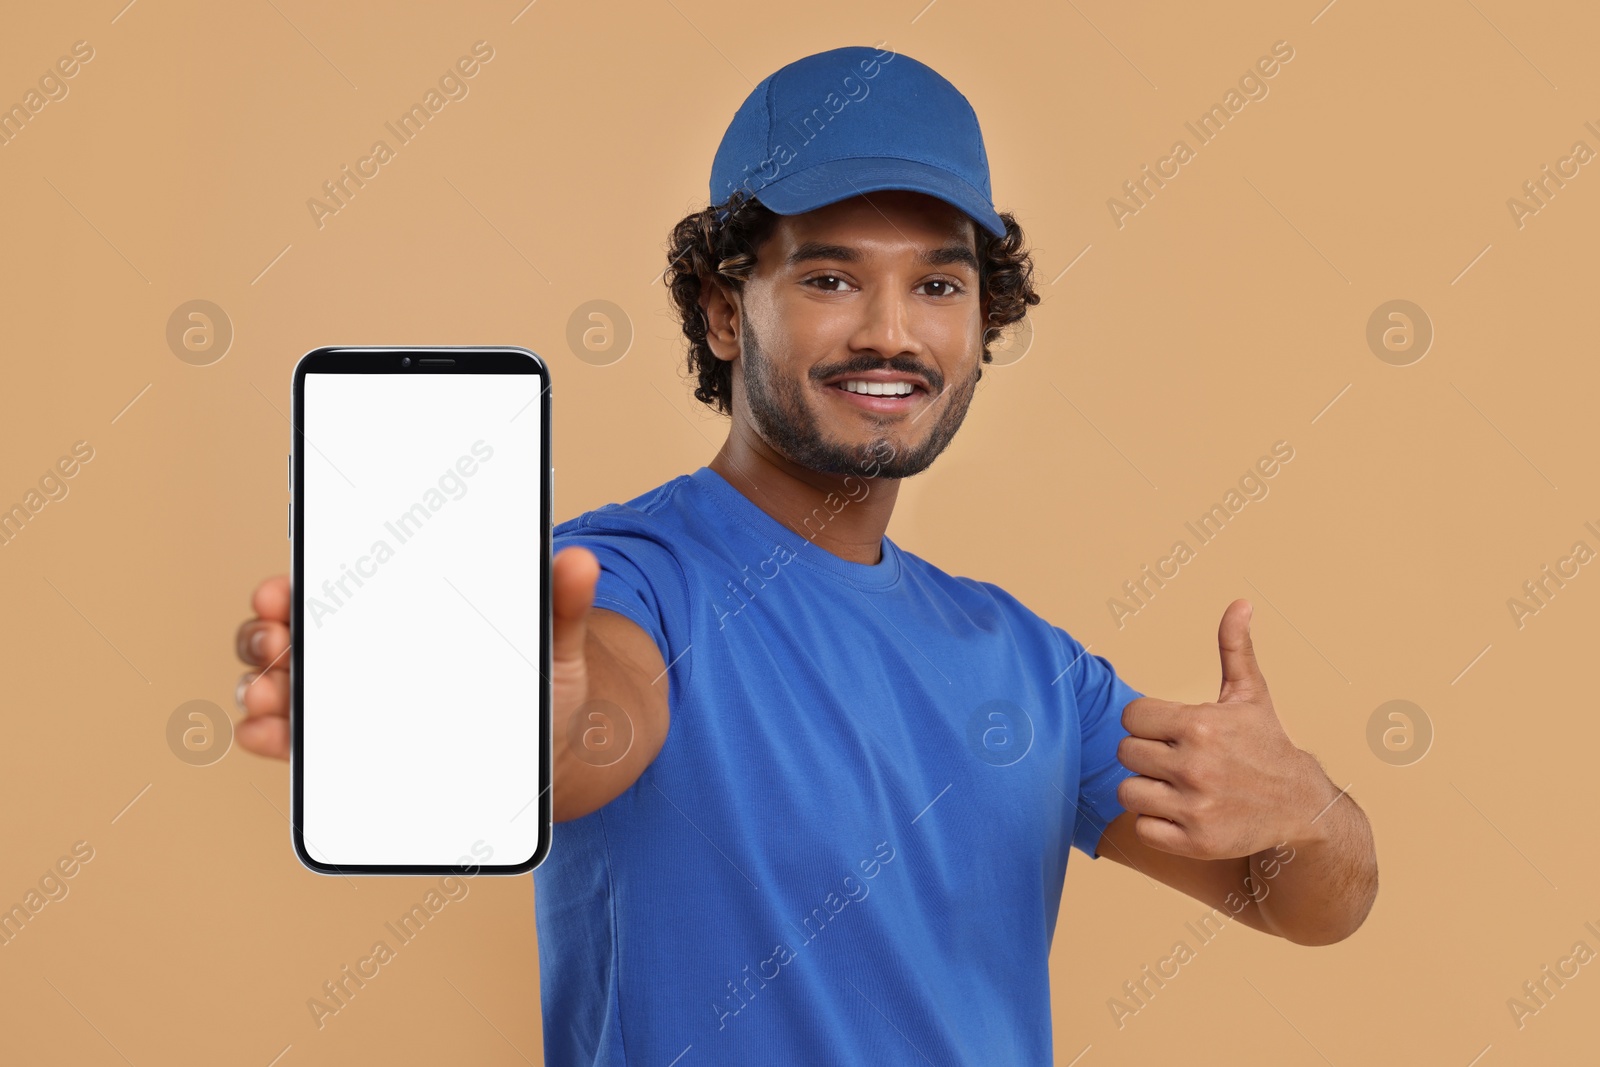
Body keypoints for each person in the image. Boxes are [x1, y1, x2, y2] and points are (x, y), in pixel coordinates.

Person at [233, 44, 1377, 1065]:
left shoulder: (1029, 664)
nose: (890, 330)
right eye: (829, 277)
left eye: (937, 283)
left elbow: (1308, 902)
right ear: (725, 311)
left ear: (983, 321)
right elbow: (589, 726)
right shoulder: (623, 580)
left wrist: (1311, 807)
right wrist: (504, 713)